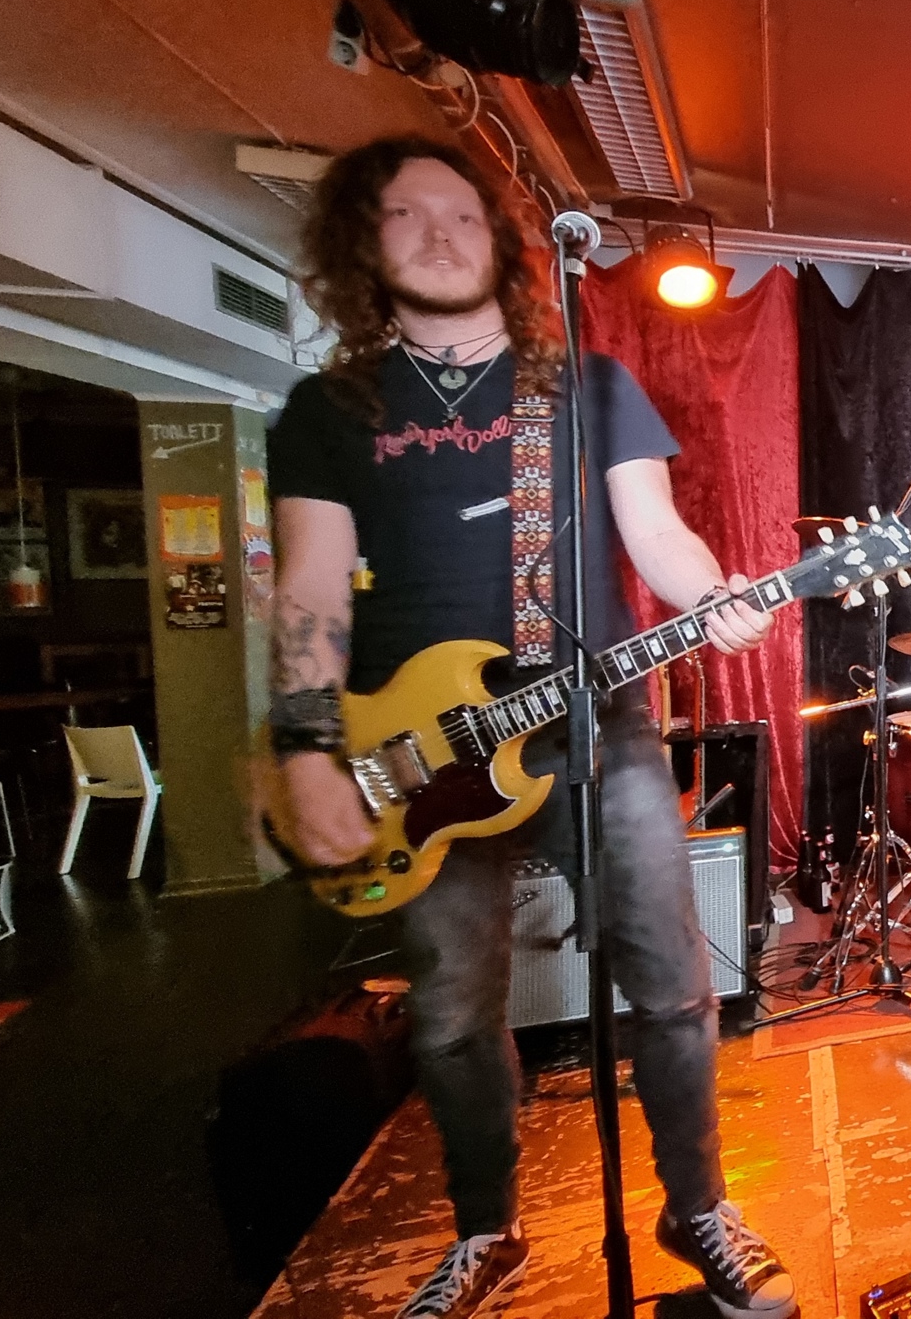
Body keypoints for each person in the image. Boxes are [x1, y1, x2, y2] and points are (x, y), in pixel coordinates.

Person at [265, 137, 796, 1319]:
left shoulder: (589, 387)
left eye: (462, 213)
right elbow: (307, 589)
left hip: (599, 723)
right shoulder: (326, 411)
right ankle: (487, 1230)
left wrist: (714, 599)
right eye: (405, 215)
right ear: (365, 243)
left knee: (672, 986)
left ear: (505, 241)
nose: (440, 233)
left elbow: (657, 538)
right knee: (453, 1019)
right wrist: (306, 746)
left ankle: (696, 1206)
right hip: (415, 754)